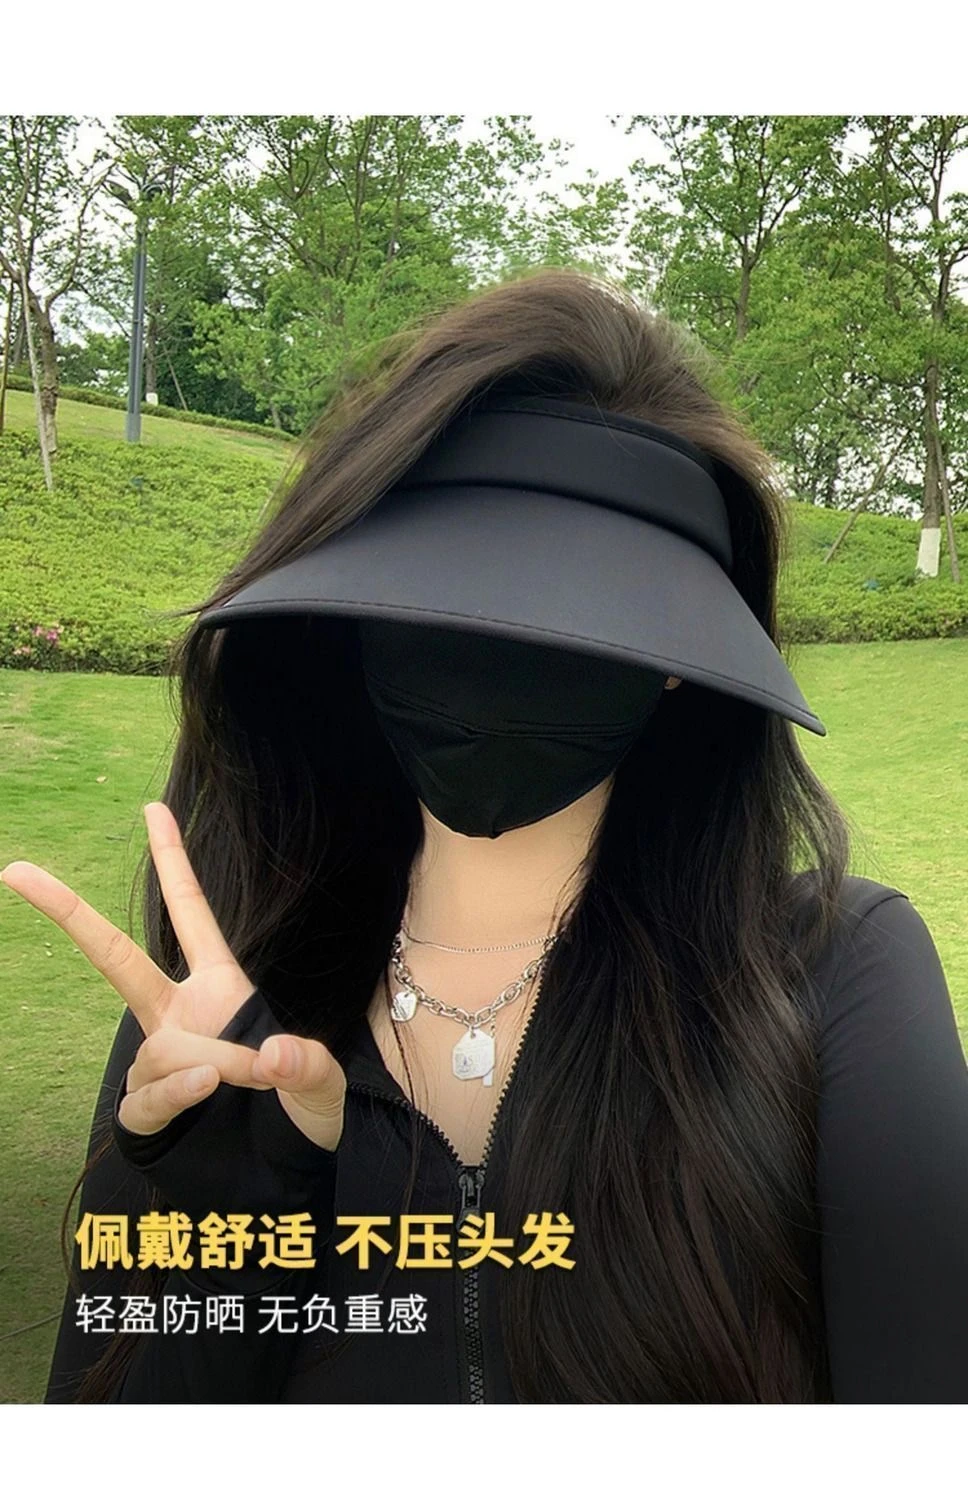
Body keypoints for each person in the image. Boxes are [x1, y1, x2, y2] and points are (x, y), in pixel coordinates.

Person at [4, 268, 966, 1404]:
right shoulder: (220, 1015)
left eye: (586, 609)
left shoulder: (831, 979)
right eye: (439, 601)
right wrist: (232, 1240)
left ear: (682, 655)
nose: (496, 655)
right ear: (352, 620)